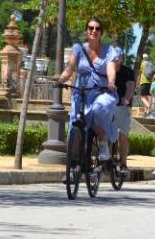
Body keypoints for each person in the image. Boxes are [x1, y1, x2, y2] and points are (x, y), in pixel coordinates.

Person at [56, 17, 119, 161]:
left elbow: (111, 70)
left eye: (97, 28)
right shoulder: (78, 49)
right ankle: (73, 165)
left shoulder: (109, 50)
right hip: (82, 91)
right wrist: (60, 80)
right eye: (91, 28)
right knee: (75, 123)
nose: (94, 31)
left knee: (98, 109)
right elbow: (69, 69)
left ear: (101, 32)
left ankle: (102, 142)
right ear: (86, 31)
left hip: (103, 90)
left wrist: (111, 82)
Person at [113, 60, 136, 176]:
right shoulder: (105, 70)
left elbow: (130, 87)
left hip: (122, 106)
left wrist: (126, 98)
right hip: (107, 105)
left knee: (122, 135)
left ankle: (123, 164)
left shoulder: (127, 71)